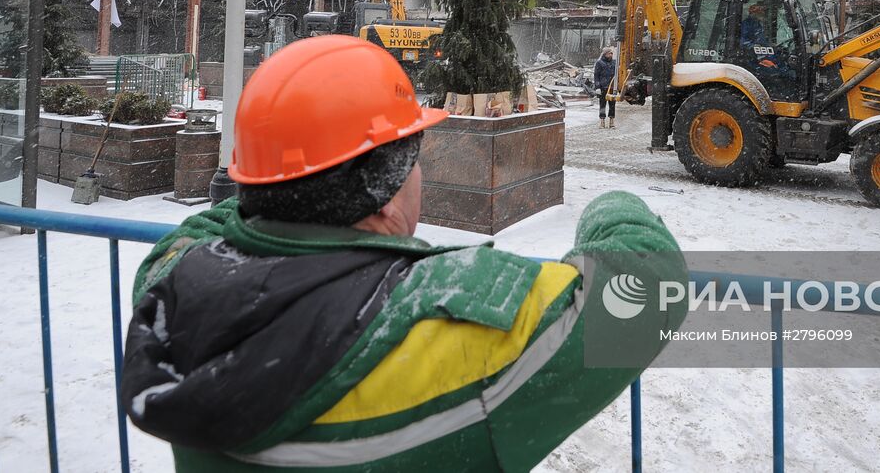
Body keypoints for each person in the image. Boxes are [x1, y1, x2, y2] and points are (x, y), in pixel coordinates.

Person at [121, 35, 684, 472]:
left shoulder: (173, 281)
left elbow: (214, 221)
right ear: (385, 185)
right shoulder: (455, 321)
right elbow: (647, 278)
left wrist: (270, 178)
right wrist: (611, 204)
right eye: (413, 158)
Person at [594, 46, 617, 129]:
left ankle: (611, 121)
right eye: (609, 53)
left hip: (612, 88)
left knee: (612, 105)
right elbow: (596, 75)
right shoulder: (599, 63)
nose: (611, 54)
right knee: (602, 105)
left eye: (611, 53)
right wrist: (597, 87)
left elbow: (617, 75)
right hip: (603, 87)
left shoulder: (614, 63)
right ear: (605, 54)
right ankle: (602, 121)